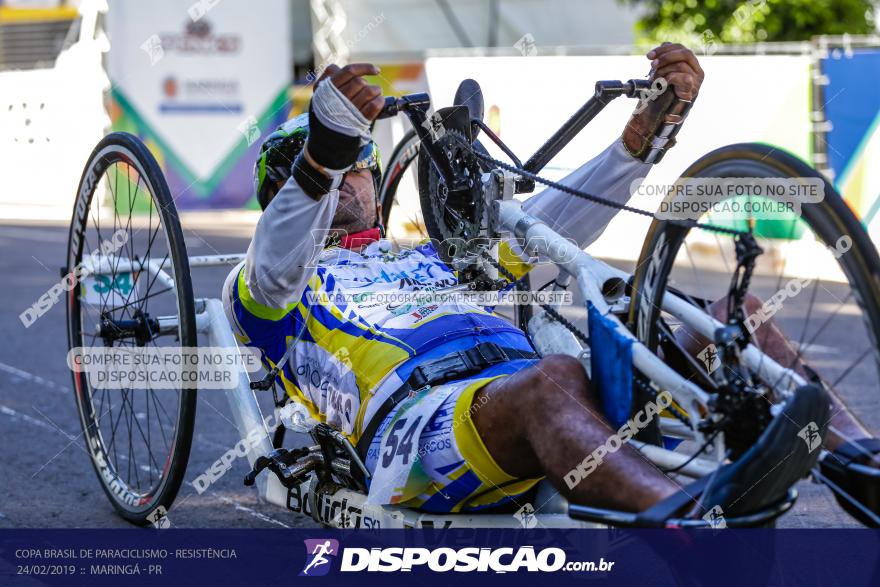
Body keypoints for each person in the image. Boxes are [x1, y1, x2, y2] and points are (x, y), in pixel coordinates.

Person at [223, 43, 870, 521]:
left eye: (352, 168)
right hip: (416, 433)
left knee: (740, 316)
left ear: (370, 175)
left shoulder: (424, 257)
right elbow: (275, 263)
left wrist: (637, 145)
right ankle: (689, 520)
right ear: (276, 200)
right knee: (552, 379)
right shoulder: (262, 286)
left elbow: (549, 230)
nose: (342, 183)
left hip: (543, 390)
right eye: (313, 177)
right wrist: (319, 159)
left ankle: (863, 463)